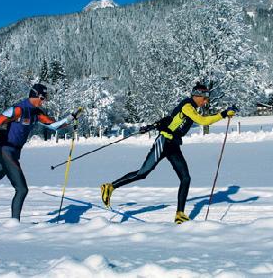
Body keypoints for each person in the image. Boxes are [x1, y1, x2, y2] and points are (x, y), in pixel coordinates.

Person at [100, 83, 236, 224]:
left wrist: (225, 113)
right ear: (196, 96)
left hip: (174, 145)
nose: (206, 101)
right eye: (204, 98)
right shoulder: (187, 106)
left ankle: (180, 214)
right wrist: (223, 114)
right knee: (143, 173)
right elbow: (203, 121)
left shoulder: (193, 108)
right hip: (164, 142)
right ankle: (110, 187)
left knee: (186, 178)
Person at [0, 83, 81, 221]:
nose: (44, 101)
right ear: (36, 96)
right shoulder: (18, 109)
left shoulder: (37, 113)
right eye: (43, 98)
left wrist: (70, 119)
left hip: (14, 153)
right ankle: (14, 225)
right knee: (22, 189)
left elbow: (53, 125)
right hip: (5, 150)